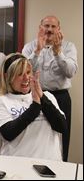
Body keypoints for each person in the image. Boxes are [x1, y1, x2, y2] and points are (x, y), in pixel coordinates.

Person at [22, 15, 78, 161]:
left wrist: (58, 52)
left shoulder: (69, 47)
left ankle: (61, 167)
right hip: (36, 96)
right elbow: (22, 70)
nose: (49, 29)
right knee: (36, 135)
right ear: (40, 28)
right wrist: (37, 51)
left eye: (53, 26)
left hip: (61, 97)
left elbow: (70, 72)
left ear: (58, 29)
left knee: (62, 136)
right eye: (46, 26)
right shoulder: (29, 46)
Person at [0, 53, 67, 160]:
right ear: (7, 76)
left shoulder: (48, 96)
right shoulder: (1, 101)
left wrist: (42, 98)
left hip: (50, 164)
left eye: (28, 72)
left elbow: (62, 127)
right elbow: (9, 133)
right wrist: (35, 106)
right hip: (17, 165)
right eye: (19, 74)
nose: (26, 78)